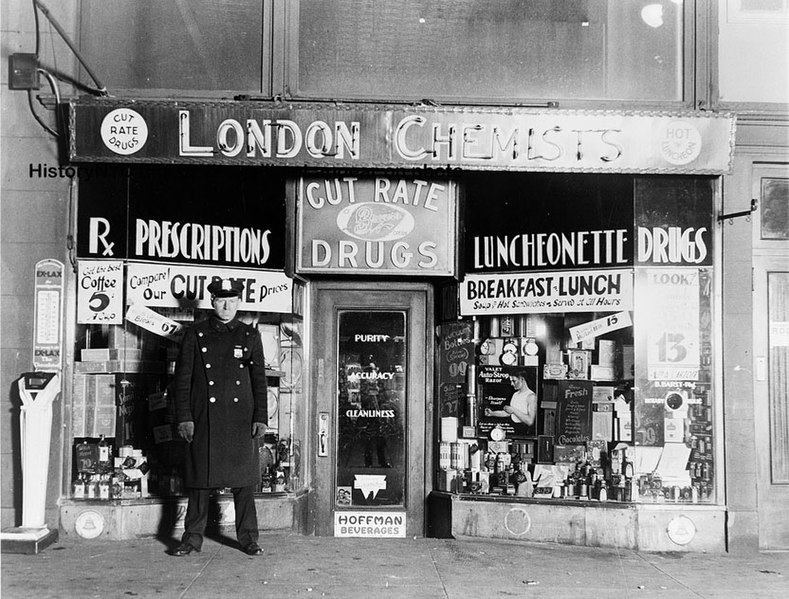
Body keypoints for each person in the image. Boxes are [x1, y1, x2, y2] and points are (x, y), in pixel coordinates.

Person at [172, 278, 268, 557]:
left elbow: (258, 381)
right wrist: (184, 417)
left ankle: (249, 538)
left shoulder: (250, 336)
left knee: (244, 484)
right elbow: (183, 379)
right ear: (212, 302)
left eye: (233, 300)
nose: (227, 306)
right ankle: (191, 539)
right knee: (200, 482)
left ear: (239, 302)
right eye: (221, 300)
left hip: (240, 419)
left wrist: (260, 416)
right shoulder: (196, 333)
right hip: (205, 418)